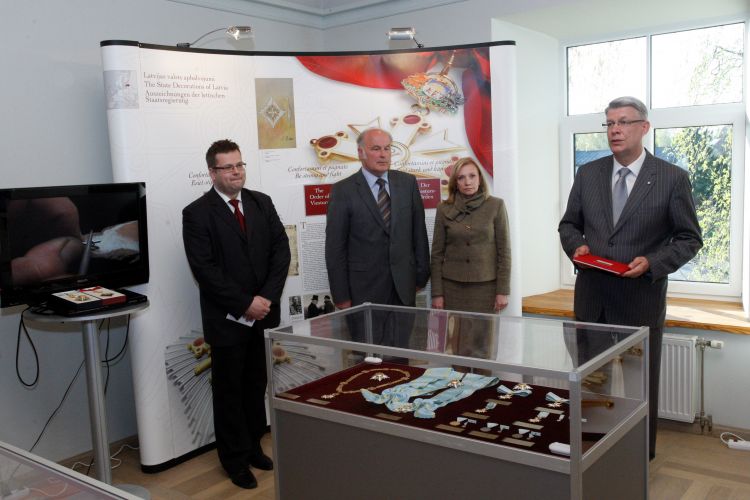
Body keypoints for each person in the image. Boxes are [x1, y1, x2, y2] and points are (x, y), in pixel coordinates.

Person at [558, 96, 703, 460]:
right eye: (609, 123)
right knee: (592, 384)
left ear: (644, 127)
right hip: (592, 299)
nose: (615, 130)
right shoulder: (588, 174)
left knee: (641, 387)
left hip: (640, 300)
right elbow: (568, 225)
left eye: (623, 122)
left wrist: (653, 262)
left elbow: (689, 238)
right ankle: (591, 453)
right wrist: (576, 246)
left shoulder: (671, 178)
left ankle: (639, 458)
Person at [182, 139, 290, 489]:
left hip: (263, 316)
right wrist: (245, 303)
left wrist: (265, 298)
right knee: (229, 392)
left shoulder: (261, 202)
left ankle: (254, 446)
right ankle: (234, 460)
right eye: (227, 167)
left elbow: (281, 252)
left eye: (239, 165)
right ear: (212, 172)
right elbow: (205, 270)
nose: (236, 172)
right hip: (227, 320)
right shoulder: (197, 213)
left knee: (256, 385)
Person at [325, 128, 430, 345]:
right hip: (363, 293)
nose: (383, 155)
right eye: (375, 149)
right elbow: (335, 248)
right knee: (368, 357)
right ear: (360, 153)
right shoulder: (343, 191)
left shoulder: (408, 183)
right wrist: (341, 295)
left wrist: (421, 277)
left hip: (403, 290)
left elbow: (419, 233)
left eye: (387, 149)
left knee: (401, 355)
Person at [431, 157, 511, 314]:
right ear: (455, 182)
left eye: (472, 176)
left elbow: (504, 252)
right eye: (461, 177)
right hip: (451, 289)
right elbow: (436, 255)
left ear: (480, 178)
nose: (467, 182)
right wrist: (437, 293)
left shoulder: (496, 205)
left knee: (484, 331)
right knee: (453, 331)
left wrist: (502, 291)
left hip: (486, 288)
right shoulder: (443, 209)